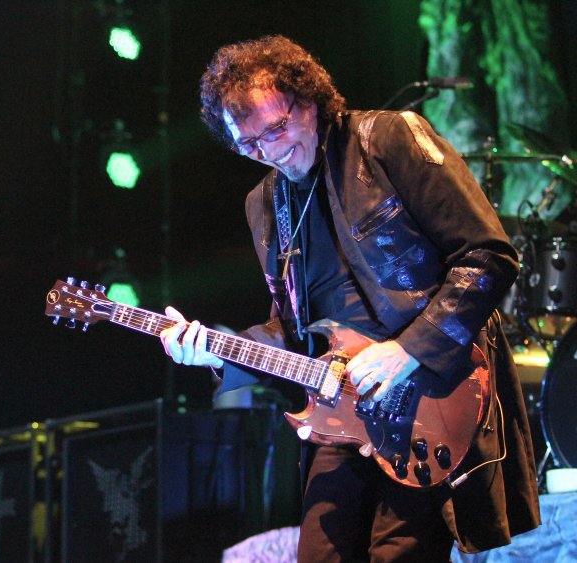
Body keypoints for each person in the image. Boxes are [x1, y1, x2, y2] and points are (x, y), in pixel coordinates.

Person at [159, 36, 541, 560]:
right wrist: (216, 351)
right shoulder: (266, 203)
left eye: (276, 128)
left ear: (310, 99)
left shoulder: (388, 139)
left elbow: (489, 256)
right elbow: (291, 333)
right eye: (248, 145)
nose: (268, 151)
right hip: (339, 412)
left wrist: (408, 350)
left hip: (426, 397)